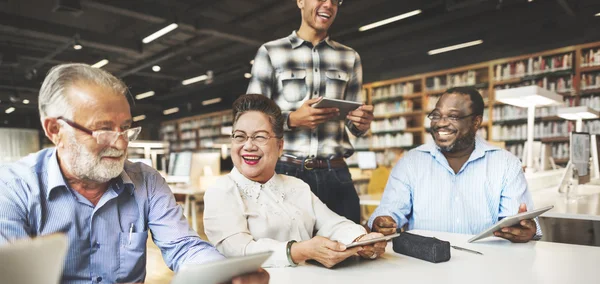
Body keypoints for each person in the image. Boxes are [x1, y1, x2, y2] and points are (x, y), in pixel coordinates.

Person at [0, 64, 269, 284]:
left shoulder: (146, 181)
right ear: (55, 131)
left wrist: (229, 279)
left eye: (126, 129)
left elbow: (184, 247)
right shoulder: (13, 188)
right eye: (104, 130)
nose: (121, 144)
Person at [204, 94, 386, 268]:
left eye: (260, 137)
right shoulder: (221, 191)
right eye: (240, 136)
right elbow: (239, 250)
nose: (249, 146)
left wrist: (361, 241)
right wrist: (299, 251)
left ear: (280, 146)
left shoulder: (297, 186)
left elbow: (333, 223)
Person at [246, 0, 374, 224]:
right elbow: (250, 118)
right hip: (286, 171)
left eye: (335, 1)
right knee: (289, 253)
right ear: (301, 1)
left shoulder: (350, 57)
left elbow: (354, 123)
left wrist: (361, 123)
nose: (329, 5)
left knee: (351, 249)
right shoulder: (270, 52)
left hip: (336, 173)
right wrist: (291, 120)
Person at [368, 87, 542, 243]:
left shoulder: (506, 164)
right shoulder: (410, 163)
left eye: (452, 116)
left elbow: (515, 224)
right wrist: (381, 222)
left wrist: (524, 231)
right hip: (424, 266)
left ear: (476, 122)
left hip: (486, 266)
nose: (441, 123)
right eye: (436, 115)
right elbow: (389, 211)